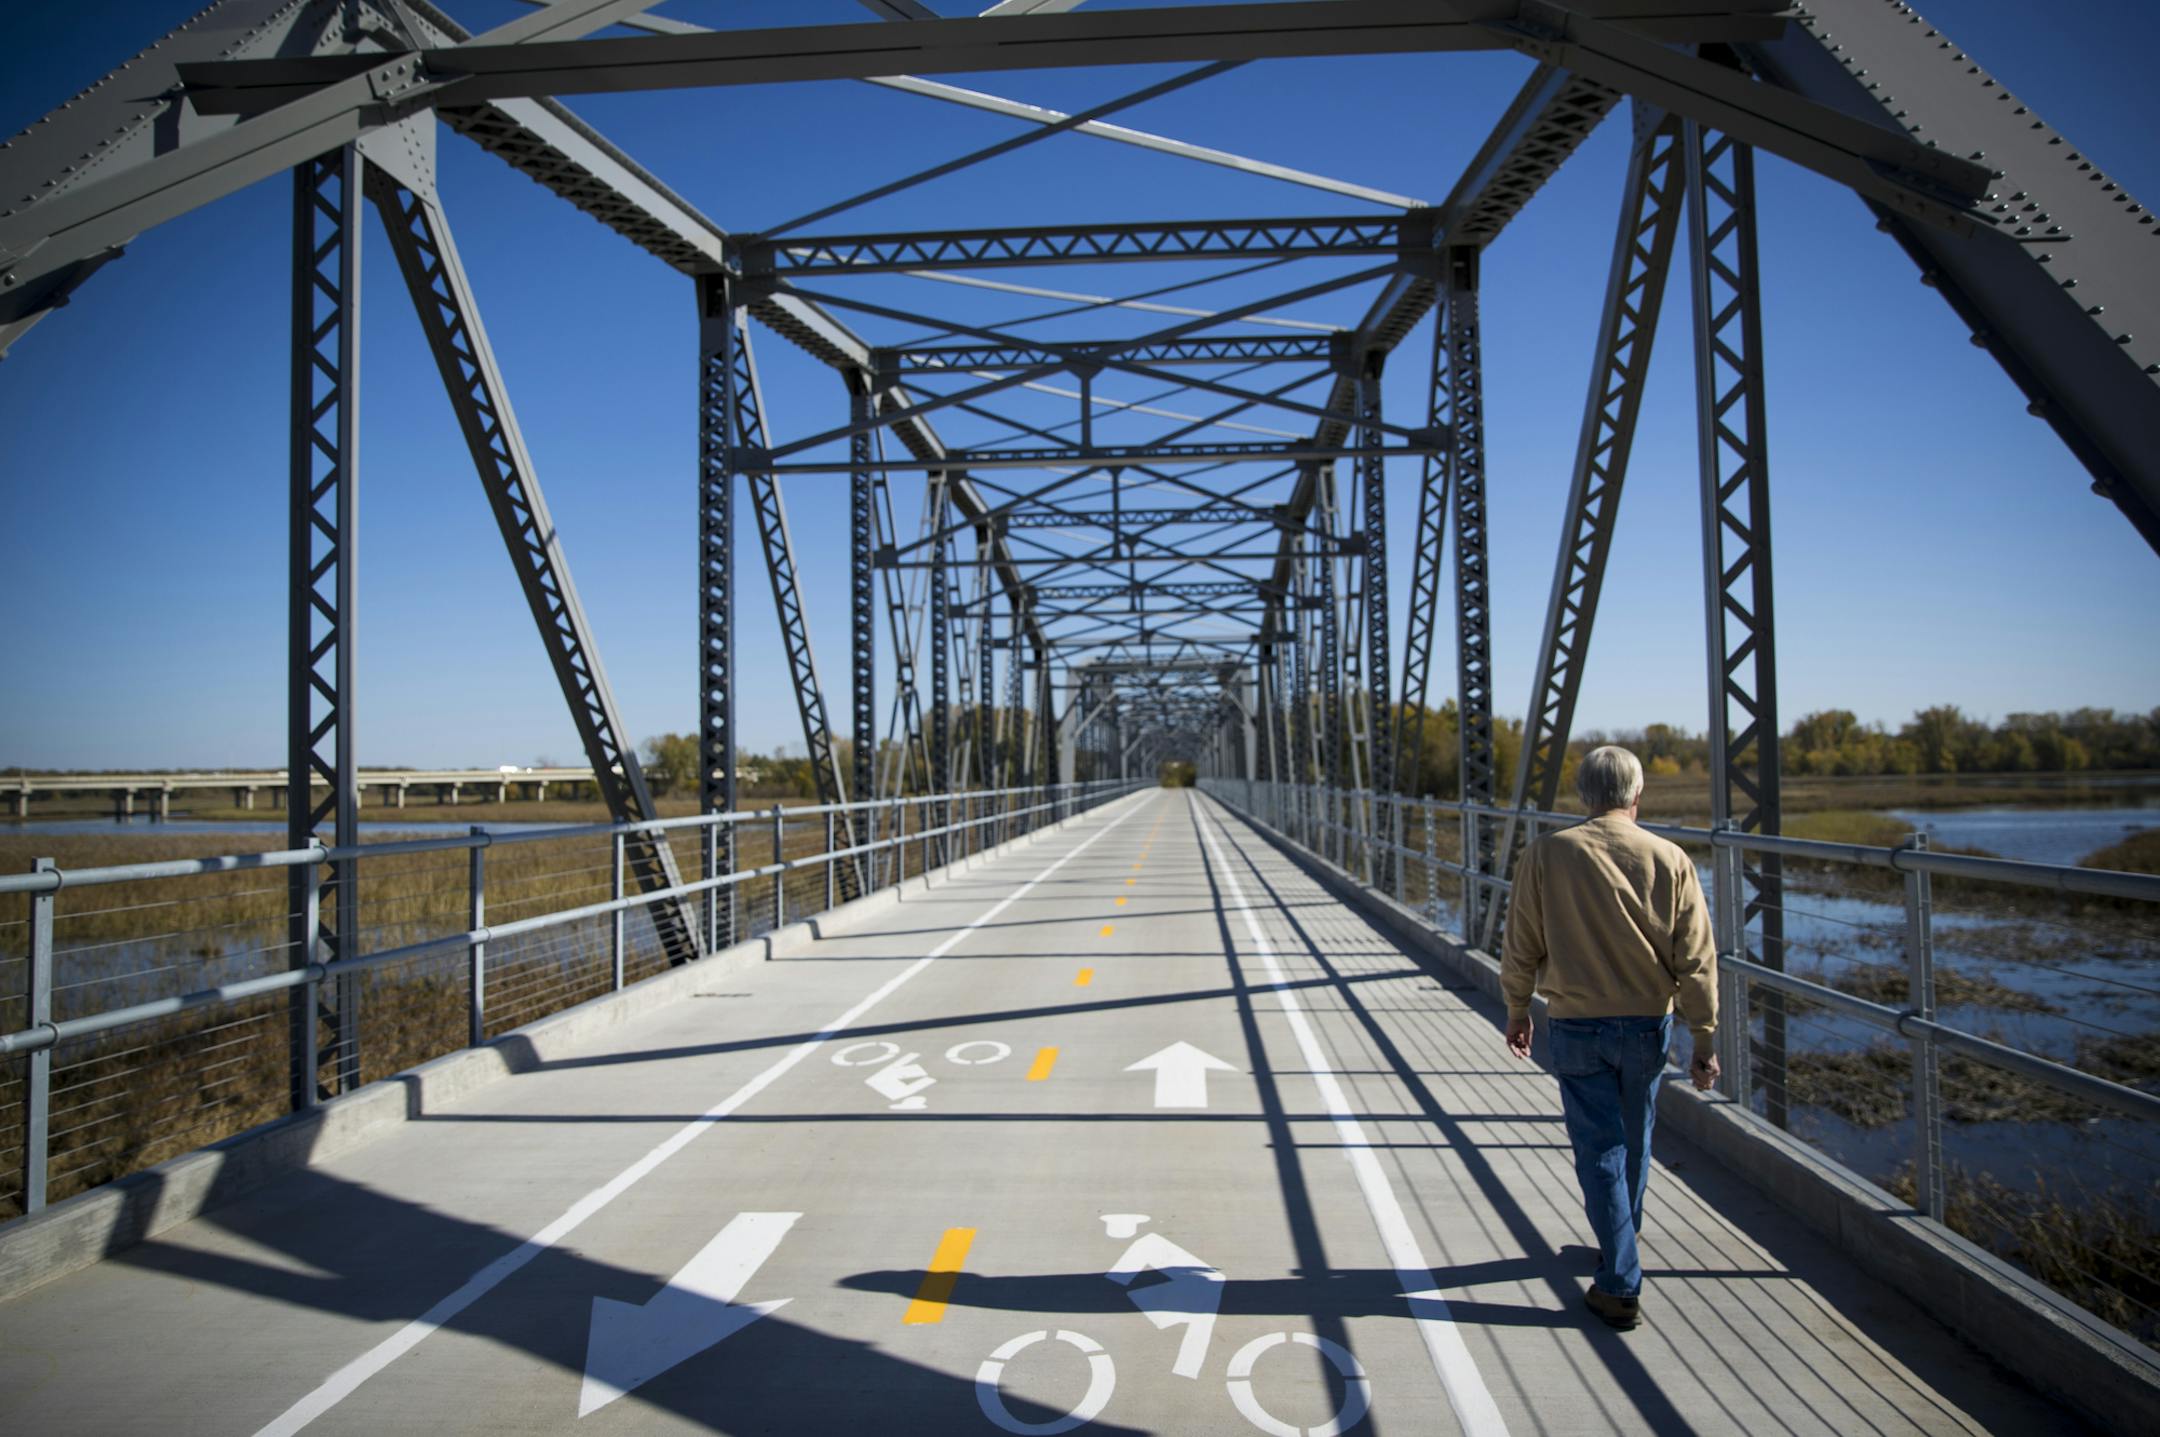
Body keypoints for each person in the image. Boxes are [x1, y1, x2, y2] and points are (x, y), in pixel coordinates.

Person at [1499, 744, 1719, 1331]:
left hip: (1575, 1024)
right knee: (1636, 1135)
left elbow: (1521, 943)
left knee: (1599, 1146)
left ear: (1583, 797)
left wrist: (1519, 1009)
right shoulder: (1670, 857)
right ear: (1637, 795)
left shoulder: (1547, 854)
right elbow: (1696, 959)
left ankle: (1621, 1279)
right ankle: (1622, 1237)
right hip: (1649, 1023)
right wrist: (1705, 1036)